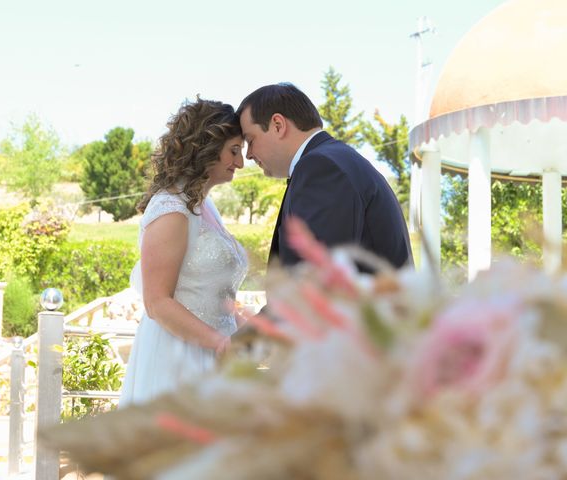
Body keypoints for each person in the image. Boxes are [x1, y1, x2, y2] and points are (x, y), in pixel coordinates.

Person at [119, 97, 247, 406]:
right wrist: (219, 343)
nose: (240, 163)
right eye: (233, 151)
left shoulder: (205, 207)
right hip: (179, 359)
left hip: (215, 356)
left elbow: (207, 288)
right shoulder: (170, 209)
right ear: (205, 146)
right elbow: (157, 301)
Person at [237, 83, 412, 273]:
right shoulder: (334, 160)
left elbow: (318, 281)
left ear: (278, 125)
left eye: (250, 141)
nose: (249, 155)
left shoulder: (321, 167)